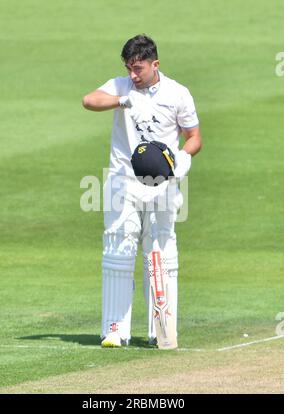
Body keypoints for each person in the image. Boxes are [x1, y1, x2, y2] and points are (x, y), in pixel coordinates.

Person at [83, 34, 202, 348]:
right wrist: (122, 99)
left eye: (138, 68)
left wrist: (178, 160)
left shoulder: (178, 94)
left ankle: (160, 330)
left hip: (162, 182)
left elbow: (194, 137)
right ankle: (114, 329)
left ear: (155, 64)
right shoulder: (121, 87)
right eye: (129, 68)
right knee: (118, 248)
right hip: (122, 180)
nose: (133, 74)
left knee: (160, 250)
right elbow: (88, 100)